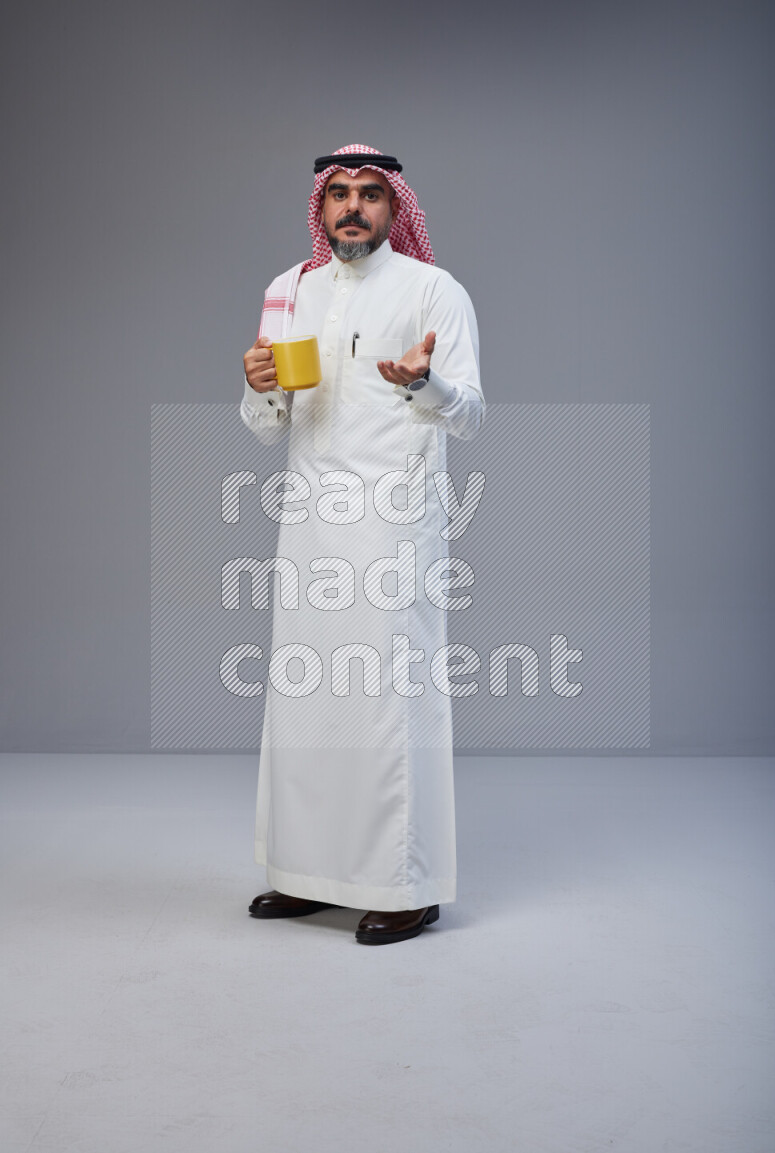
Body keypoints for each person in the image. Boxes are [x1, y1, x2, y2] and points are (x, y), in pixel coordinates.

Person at [239, 144, 485, 944]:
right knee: (306, 701)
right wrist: (258, 389)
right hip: (308, 523)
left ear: (393, 207)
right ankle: (305, 874)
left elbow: (471, 413)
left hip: (393, 527)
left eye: (370, 193)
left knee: (386, 705)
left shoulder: (433, 291)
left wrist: (422, 382)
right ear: (321, 207)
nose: (353, 206)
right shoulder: (291, 290)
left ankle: (403, 886)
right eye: (339, 193)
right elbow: (269, 426)